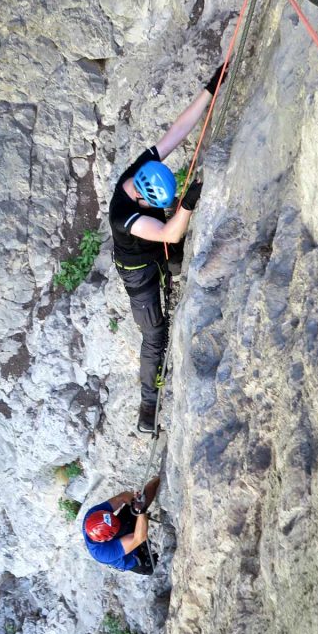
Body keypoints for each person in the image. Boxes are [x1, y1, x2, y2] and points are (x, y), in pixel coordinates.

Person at [109, 66, 225, 433]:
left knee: (175, 257)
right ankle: (147, 407)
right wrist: (187, 204)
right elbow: (169, 234)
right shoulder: (123, 215)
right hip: (139, 275)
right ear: (141, 197)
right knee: (154, 335)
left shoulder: (142, 170)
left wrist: (211, 89)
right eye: (153, 203)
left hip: (156, 252)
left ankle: (175, 271)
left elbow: (176, 130)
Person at [82, 477, 161, 575]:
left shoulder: (93, 515)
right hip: (134, 559)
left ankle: (161, 477)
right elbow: (139, 538)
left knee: (141, 500)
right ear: (107, 538)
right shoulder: (104, 553)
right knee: (160, 567)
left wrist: (134, 502)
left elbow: (122, 497)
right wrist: (141, 511)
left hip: (121, 527)